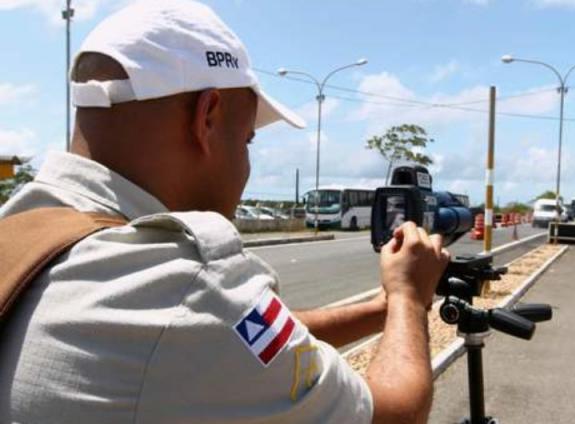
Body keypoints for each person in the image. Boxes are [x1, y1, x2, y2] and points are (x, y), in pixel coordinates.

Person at [0, 1, 449, 423]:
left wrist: (381, 309)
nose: (247, 164)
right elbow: (395, 415)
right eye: (247, 139)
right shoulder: (182, 284)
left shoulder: (25, 230)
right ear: (208, 117)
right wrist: (409, 299)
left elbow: (237, 336)